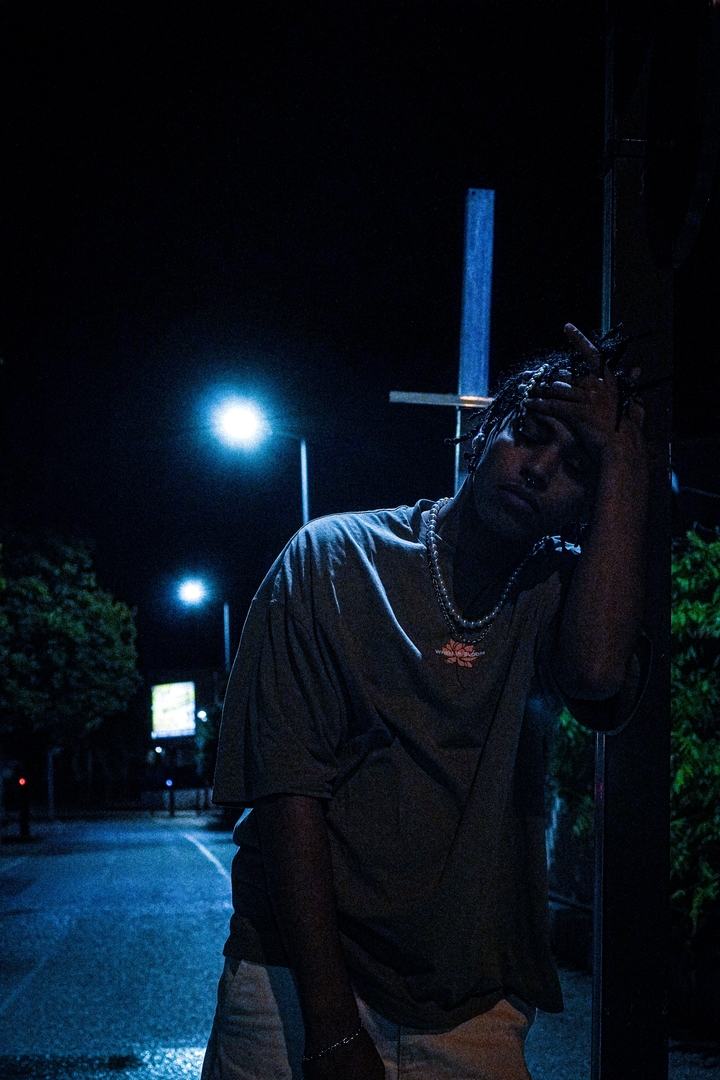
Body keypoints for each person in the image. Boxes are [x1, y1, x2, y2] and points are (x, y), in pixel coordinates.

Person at [202, 323, 650, 1080]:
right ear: (484, 434)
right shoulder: (333, 558)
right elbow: (287, 790)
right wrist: (332, 1026)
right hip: (289, 982)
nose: (540, 469)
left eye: (578, 465)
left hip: (468, 998)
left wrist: (626, 465)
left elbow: (599, 675)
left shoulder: (558, 592)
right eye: (529, 435)